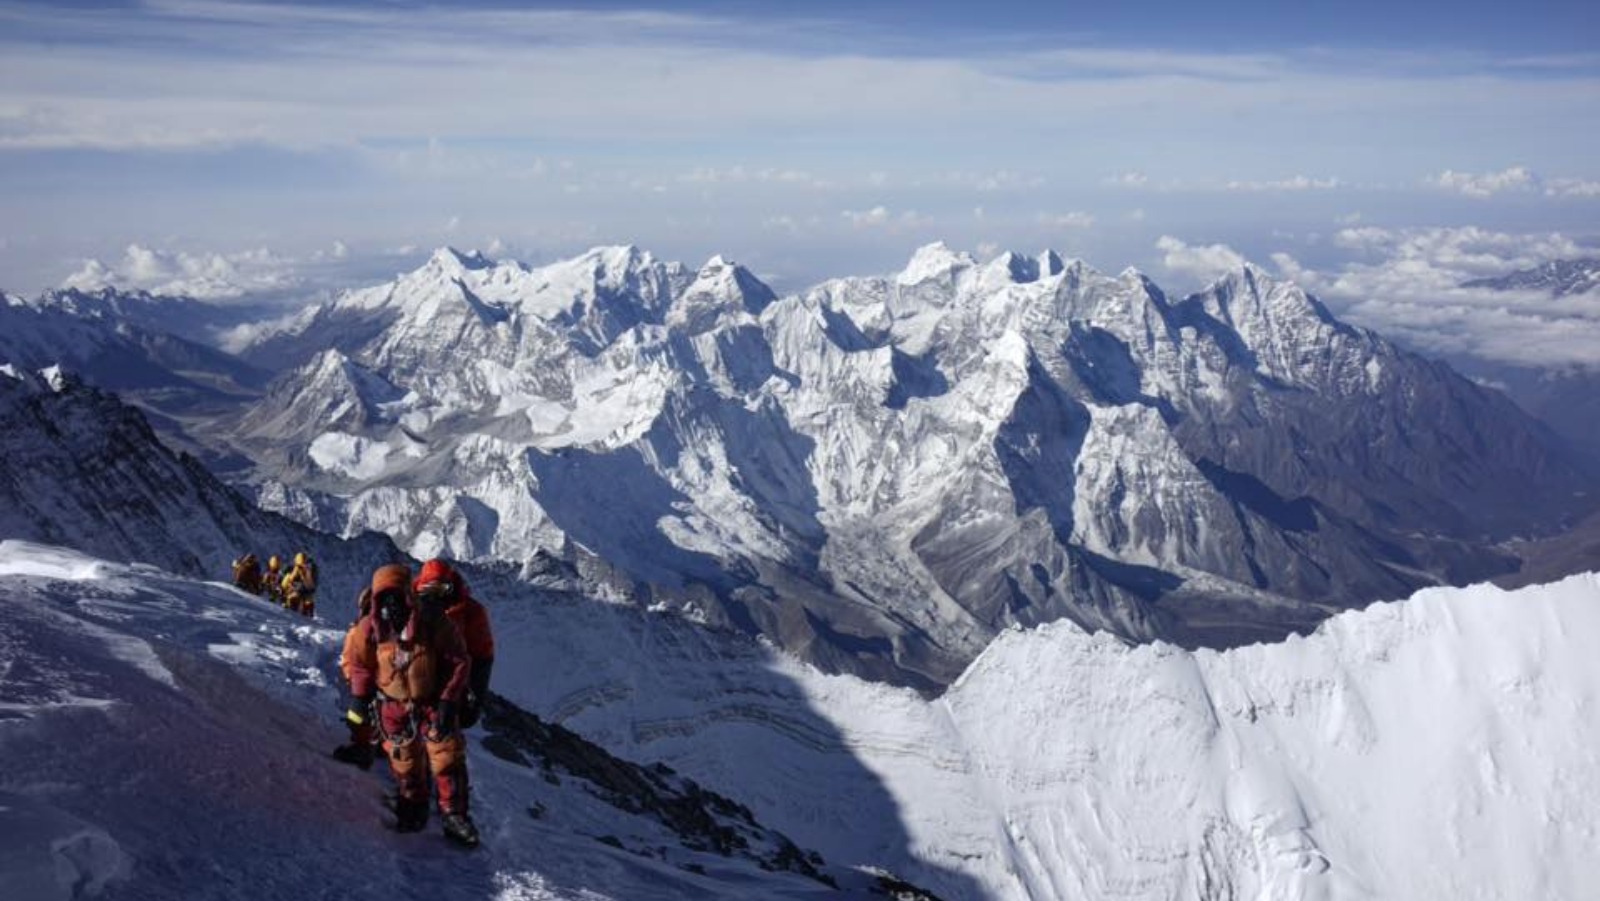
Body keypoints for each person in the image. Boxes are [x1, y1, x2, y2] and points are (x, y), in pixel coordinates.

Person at [345, 563, 479, 846]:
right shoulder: (369, 629)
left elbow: (458, 662)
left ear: (410, 595)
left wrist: (448, 701)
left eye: (397, 597)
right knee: (403, 757)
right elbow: (359, 665)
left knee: (447, 755)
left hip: (432, 700)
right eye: (384, 599)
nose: (391, 607)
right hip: (391, 703)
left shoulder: (434, 622)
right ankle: (413, 804)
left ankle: (455, 815)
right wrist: (360, 699)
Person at [413, 559, 495, 729]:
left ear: (451, 587)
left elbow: (481, 656)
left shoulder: (471, 612)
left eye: (442, 589)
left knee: (444, 732)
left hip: (450, 681)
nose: (436, 595)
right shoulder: (408, 606)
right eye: (429, 589)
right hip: (415, 675)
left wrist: (475, 695)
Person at [332, 587, 377, 770]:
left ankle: (362, 747)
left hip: (365, 681)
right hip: (388, 682)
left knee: (357, 715)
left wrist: (354, 678)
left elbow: (354, 658)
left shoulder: (363, 628)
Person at [281, 552, 318, 618]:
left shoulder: (301, 569)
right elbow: (311, 585)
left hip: (301, 592)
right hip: (305, 592)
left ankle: (297, 612)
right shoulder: (308, 569)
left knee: (295, 598)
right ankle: (307, 616)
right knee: (307, 602)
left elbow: (288, 581)